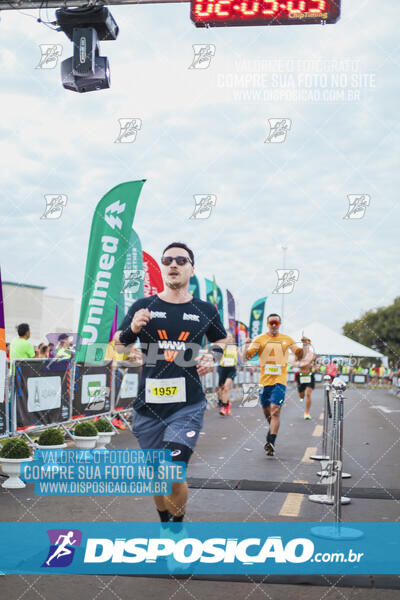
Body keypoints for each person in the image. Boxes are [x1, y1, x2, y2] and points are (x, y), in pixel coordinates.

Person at [114, 242, 227, 523]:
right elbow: (118, 348)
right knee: (157, 475)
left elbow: (223, 341)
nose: (173, 264)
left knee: (172, 470)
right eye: (167, 260)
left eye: (181, 260)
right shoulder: (142, 306)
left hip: (186, 406)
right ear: (163, 267)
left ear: (191, 268)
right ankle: (165, 522)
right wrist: (133, 329)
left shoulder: (205, 309)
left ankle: (176, 533)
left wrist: (214, 356)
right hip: (147, 408)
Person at [243, 314, 313, 456]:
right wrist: (246, 346)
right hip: (264, 382)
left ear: (279, 324)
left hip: (280, 381)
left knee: (275, 410)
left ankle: (271, 442)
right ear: (267, 324)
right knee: (267, 411)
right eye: (271, 322)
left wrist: (305, 345)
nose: (274, 325)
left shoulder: (286, 339)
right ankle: (272, 430)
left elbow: (300, 355)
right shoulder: (260, 339)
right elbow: (246, 358)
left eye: (276, 322)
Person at [217, 332, 238, 416]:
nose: (229, 338)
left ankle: (224, 407)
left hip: (231, 369)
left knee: (226, 388)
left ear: (232, 339)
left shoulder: (235, 348)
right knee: (220, 390)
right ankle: (227, 403)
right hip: (222, 369)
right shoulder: (223, 347)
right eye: (227, 337)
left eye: (230, 337)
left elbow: (243, 357)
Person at [294, 342, 317, 420]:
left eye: (307, 345)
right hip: (301, 376)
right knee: (301, 395)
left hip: (309, 375)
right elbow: (294, 362)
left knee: (308, 394)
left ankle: (306, 413)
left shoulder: (312, 355)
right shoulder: (299, 354)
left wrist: (315, 366)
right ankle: (301, 396)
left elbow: (315, 363)